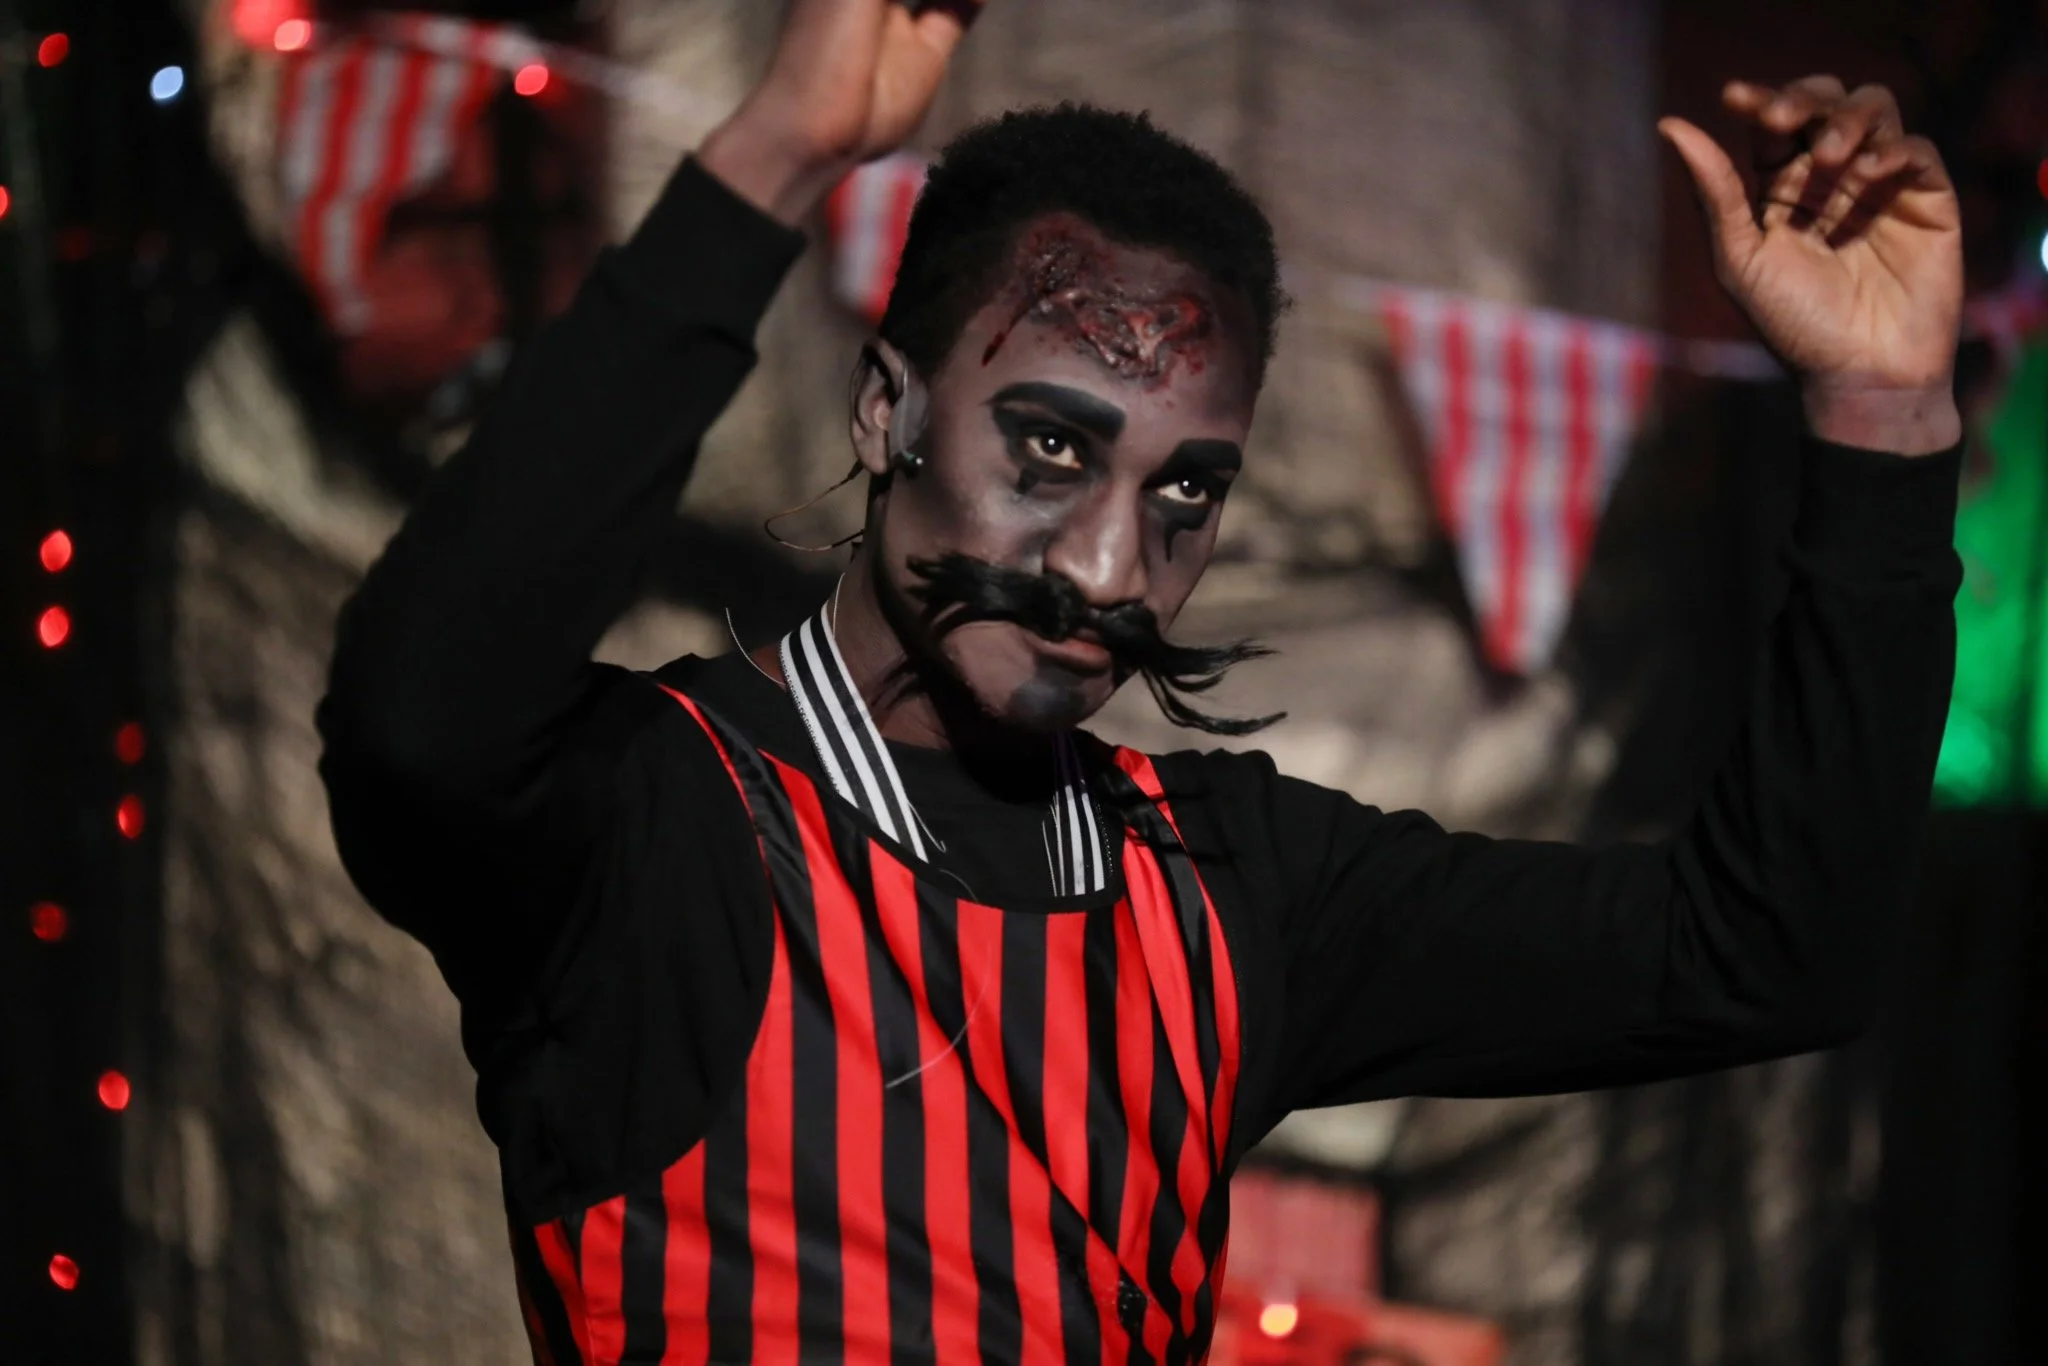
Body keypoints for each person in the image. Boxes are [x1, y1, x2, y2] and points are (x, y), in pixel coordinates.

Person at [316, 1, 1965, 1361]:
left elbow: (1766, 955)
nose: (1111, 572)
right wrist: (779, 155)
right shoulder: (658, 829)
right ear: (885, 409)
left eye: (1185, 492)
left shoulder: (1228, 887)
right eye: (1049, 447)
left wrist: (1884, 420)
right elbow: (417, 717)